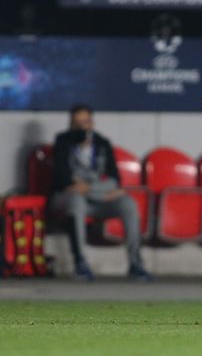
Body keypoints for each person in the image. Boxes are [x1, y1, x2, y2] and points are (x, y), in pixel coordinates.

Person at [50, 104, 150, 281]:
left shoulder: (102, 143)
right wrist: (104, 190)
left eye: (85, 122)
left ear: (92, 123)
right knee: (76, 200)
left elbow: (114, 180)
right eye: (77, 122)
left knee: (128, 203)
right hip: (70, 199)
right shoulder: (62, 141)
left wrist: (89, 189)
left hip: (100, 198)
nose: (82, 126)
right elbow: (63, 179)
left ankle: (136, 264)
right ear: (71, 124)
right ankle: (80, 263)